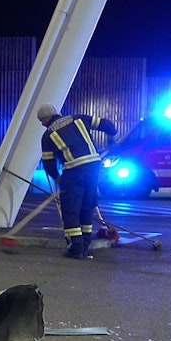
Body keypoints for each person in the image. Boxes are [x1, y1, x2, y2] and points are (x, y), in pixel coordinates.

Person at [37, 103, 118, 259]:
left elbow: (48, 162)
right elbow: (108, 125)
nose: (42, 124)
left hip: (73, 171)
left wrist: (57, 178)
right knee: (87, 207)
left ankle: (76, 249)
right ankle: (85, 246)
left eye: (41, 121)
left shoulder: (47, 135)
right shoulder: (79, 118)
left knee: (70, 210)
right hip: (93, 167)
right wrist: (111, 141)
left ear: (46, 119)